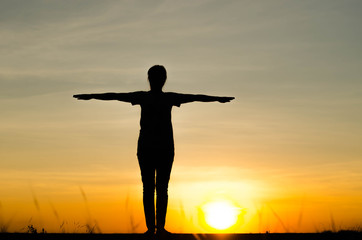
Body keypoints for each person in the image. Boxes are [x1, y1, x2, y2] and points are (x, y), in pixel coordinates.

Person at [73, 65, 234, 237]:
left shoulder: (161, 97)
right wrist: (91, 96)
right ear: (154, 79)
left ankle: (156, 228)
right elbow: (115, 96)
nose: (157, 80)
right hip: (152, 148)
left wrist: (217, 98)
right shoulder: (153, 97)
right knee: (154, 188)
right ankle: (154, 229)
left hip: (158, 148)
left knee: (154, 188)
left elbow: (195, 97)